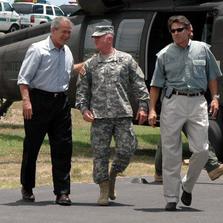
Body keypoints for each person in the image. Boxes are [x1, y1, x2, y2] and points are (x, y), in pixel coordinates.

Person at [148, 15, 223, 211]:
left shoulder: (203, 49)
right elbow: (155, 85)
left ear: (189, 30)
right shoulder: (164, 55)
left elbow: (212, 76)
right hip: (173, 103)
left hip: (198, 101)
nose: (175, 34)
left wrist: (215, 97)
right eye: (172, 31)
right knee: (171, 151)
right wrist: (152, 110)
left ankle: (187, 185)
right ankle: (171, 197)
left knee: (202, 149)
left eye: (179, 30)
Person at [75, 25, 149, 206]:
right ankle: (103, 189)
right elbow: (82, 91)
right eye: (94, 37)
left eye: (98, 37)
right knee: (100, 155)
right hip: (99, 117)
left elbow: (139, 84)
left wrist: (143, 106)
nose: (95, 40)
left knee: (128, 148)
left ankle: (114, 173)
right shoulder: (90, 64)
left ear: (109, 38)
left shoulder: (126, 60)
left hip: (122, 114)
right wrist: (84, 110)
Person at [17, 16, 84, 206]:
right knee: (32, 147)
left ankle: (62, 192)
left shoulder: (67, 51)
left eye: (69, 32)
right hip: (39, 101)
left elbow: (66, 71)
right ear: (53, 31)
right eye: (64, 32)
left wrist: (84, 66)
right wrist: (26, 102)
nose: (67, 35)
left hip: (61, 103)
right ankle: (27, 187)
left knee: (63, 147)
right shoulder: (38, 49)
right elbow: (23, 79)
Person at [154, 134, 223, 183]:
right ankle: (159, 172)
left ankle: (212, 166)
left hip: (189, 107)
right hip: (173, 107)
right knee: (169, 134)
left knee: (196, 129)